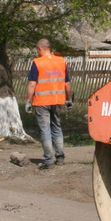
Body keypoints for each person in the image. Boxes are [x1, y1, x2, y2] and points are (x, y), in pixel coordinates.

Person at [26, 38, 72, 170]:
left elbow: (32, 84)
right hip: (58, 101)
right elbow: (67, 84)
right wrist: (69, 99)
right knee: (57, 127)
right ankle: (60, 157)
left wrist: (29, 101)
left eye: (37, 50)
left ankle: (48, 159)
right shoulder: (61, 61)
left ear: (40, 49)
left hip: (42, 102)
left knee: (45, 129)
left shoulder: (37, 63)